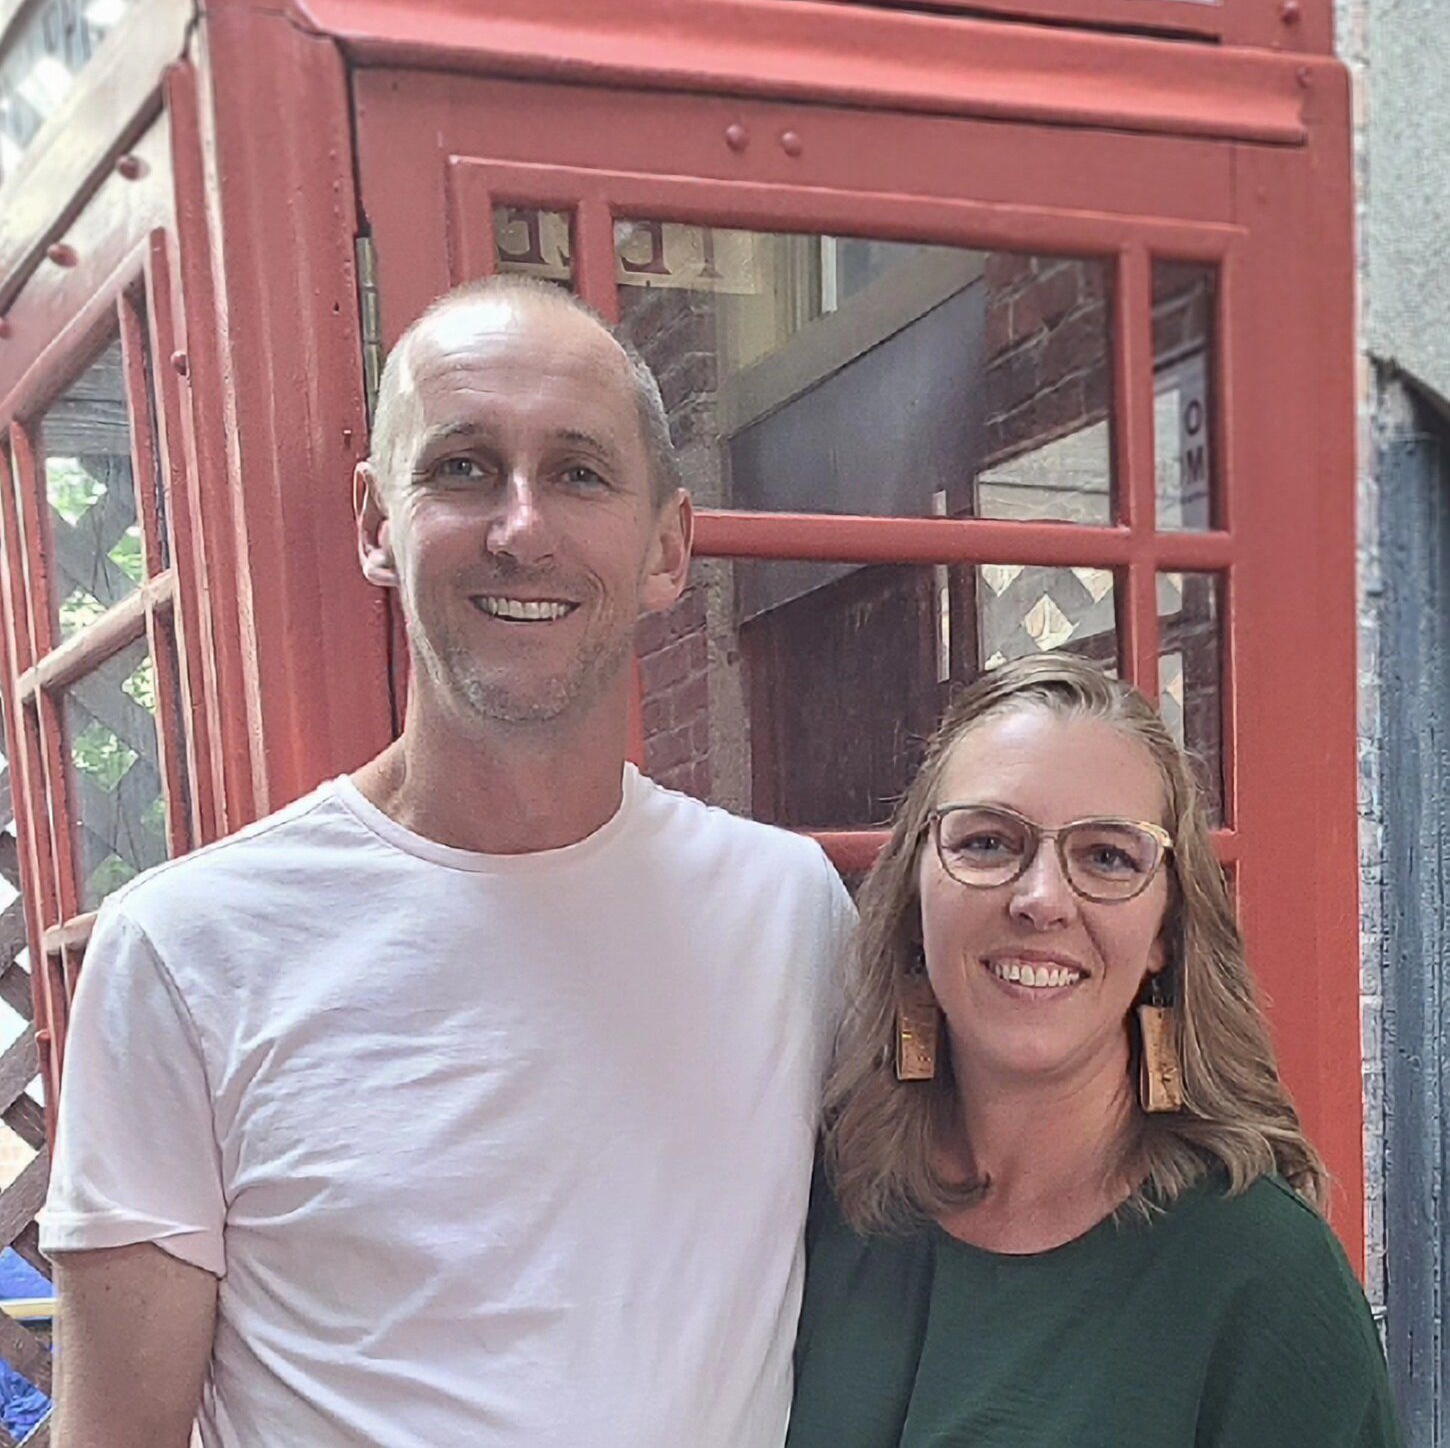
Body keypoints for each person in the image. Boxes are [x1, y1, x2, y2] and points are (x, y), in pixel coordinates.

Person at [42, 276, 855, 1448]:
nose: (521, 528)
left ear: (668, 547)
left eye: (578, 472)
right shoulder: (186, 950)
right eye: (463, 467)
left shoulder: (786, 911)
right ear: (378, 522)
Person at [788, 655, 1401, 1448]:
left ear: (1164, 934)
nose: (1041, 898)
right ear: (913, 897)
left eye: (1107, 857)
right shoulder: (825, 1200)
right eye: (986, 842)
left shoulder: (1260, 1275)